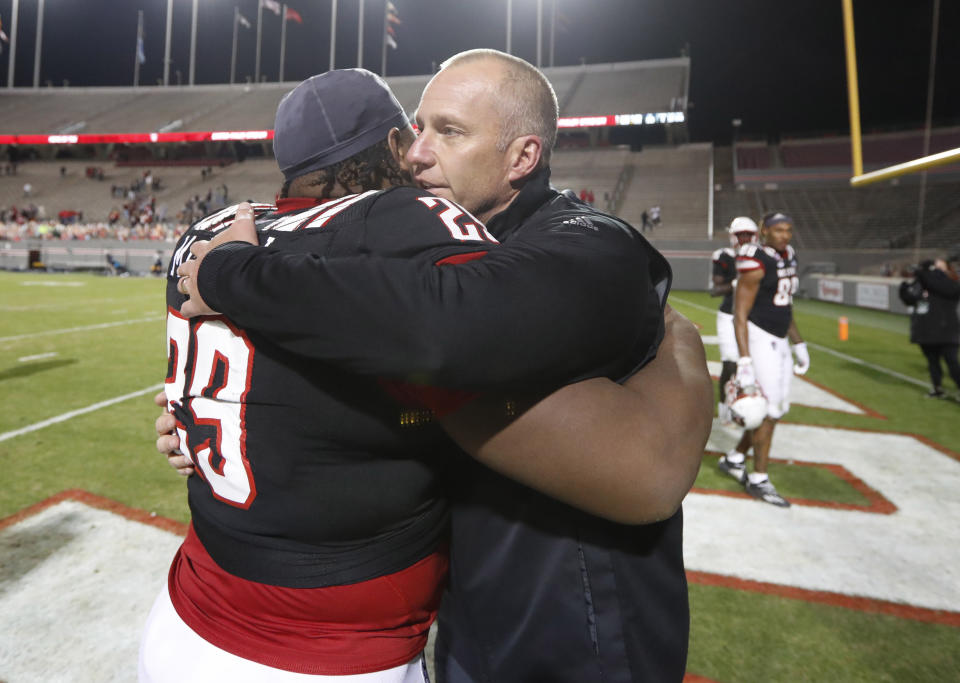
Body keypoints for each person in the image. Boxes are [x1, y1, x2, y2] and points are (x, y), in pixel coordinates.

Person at [151, 66, 711, 682]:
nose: (417, 153)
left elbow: (445, 327)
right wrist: (246, 412)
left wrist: (231, 275)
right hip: (466, 612)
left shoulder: (584, 240)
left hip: (576, 620)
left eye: (449, 132)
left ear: (523, 155)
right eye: (417, 129)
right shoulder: (407, 242)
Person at [720, 211, 809, 507]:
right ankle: (758, 479)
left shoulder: (789, 256)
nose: (784, 235)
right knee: (770, 411)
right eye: (778, 230)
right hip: (760, 339)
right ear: (764, 231)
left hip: (779, 338)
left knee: (775, 410)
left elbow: (785, 304)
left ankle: (734, 459)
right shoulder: (755, 260)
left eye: (788, 229)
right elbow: (740, 314)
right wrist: (744, 360)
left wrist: (799, 343)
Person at [711, 216, 759, 423]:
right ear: (733, 237)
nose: (745, 239)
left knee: (749, 366)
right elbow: (715, 289)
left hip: (753, 318)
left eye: (749, 235)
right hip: (729, 316)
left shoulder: (761, 257)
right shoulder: (725, 256)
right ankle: (724, 410)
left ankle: (745, 406)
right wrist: (737, 282)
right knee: (730, 364)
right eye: (741, 235)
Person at [899, 256, 960, 399]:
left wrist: (923, 274)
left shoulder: (951, 284)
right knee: (933, 362)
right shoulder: (922, 283)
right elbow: (909, 299)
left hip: (946, 330)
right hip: (926, 330)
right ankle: (937, 388)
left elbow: (940, 286)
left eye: (940, 268)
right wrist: (904, 287)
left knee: (952, 362)